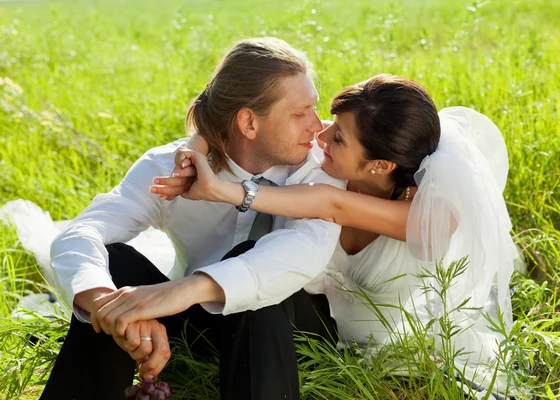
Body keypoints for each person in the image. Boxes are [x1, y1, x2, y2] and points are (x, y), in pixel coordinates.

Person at [153, 74, 519, 393]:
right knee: (260, 277)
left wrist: (219, 189)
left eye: (339, 137)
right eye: (331, 122)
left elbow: (331, 204)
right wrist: (192, 149)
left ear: (381, 165)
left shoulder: (434, 217)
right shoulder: (330, 163)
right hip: (304, 319)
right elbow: (238, 125)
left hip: (366, 343)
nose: (321, 135)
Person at [41, 37, 346, 400]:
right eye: (300, 113)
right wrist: (110, 305)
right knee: (115, 262)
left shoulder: (320, 168)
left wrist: (176, 292)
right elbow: (80, 233)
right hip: (204, 325)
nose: (317, 126)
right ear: (248, 122)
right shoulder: (170, 167)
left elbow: (299, 254)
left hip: (298, 334)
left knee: (259, 272)